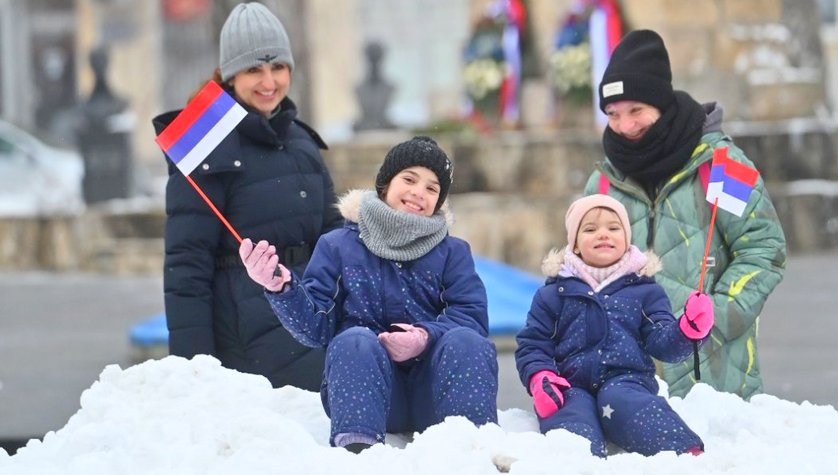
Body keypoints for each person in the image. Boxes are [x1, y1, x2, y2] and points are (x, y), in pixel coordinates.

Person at [239, 136, 499, 453]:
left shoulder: (453, 252)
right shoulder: (337, 246)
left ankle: (473, 449)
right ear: (385, 184)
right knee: (354, 338)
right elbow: (315, 327)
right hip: (366, 397)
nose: (419, 192)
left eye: (432, 188)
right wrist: (281, 288)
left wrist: (424, 338)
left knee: (468, 341)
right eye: (409, 179)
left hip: (435, 394)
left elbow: (470, 317)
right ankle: (358, 450)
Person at [584, 29, 786, 400]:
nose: (624, 126)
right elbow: (579, 268)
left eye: (636, 111)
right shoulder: (602, 182)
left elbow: (764, 248)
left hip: (714, 384)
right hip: (627, 387)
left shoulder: (722, 165)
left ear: (661, 104)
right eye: (613, 114)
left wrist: (718, 316)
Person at [151, 2, 342, 391]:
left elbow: (333, 235)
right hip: (246, 328)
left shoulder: (302, 140)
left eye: (278, 67)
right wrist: (193, 369)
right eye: (254, 69)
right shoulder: (207, 146)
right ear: (230, 75)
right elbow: (187, 265)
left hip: (311, 309)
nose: (269, 81)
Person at [515, 194, 713, 457]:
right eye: (590, 229)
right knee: (572, 417)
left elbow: (663, 343)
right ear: (574, 244)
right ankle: (580, 462)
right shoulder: (553, 293)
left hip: (628, 382)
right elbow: (533, 344)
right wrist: (541, 377)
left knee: (624, 402)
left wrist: (688, 330)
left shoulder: (644, 291)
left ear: (626, 238)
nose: (603, 235)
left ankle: (684, 451)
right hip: (570, 385)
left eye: (613, 227)